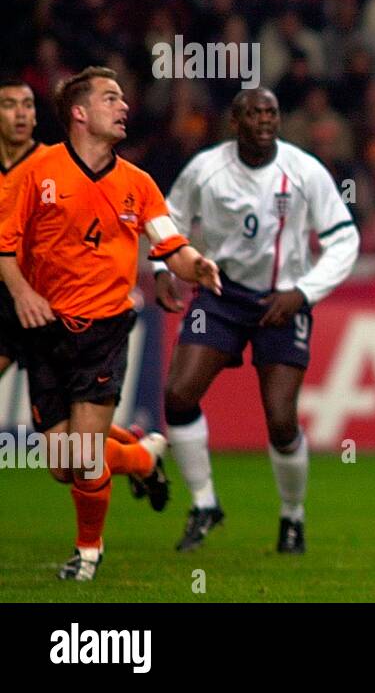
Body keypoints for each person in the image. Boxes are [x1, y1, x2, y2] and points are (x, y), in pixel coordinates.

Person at [0, 66, 222, 581]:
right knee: (63, 465)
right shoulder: (39, 172)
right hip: (44, 329)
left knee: (82, 454)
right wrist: (24, 292)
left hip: (102, 331)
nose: (124, 106)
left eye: (123, 98)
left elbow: (172, 245)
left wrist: (197, 266)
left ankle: (87, 554)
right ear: (80, 113)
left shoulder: (138, 185)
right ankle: (143, 460)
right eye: (110, 98)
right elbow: (5, 247)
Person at [155, 87, 359, 554]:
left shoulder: (305, 170)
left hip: (281, 302)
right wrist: (162, 268)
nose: (265, 120)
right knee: (178, 394)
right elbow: (168, 217)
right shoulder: (206, 169)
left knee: (281, 419)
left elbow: (345, 239)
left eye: (271, 112)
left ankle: (292, 516)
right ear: (234, 122)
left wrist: (303, 292)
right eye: (254, 113)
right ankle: (205, 503)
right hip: (220, 295)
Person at [0, 79, 44, 380]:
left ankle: (127, 432)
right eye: (9, 105)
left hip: (45, 297)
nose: (20, 114)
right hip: (5, 298)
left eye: (27, 105)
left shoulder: (52, 164)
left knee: (70, 413)